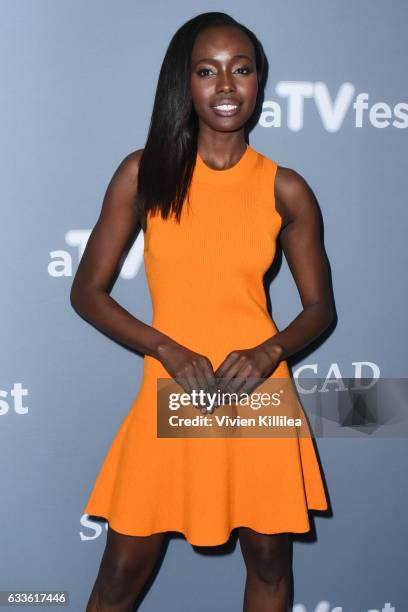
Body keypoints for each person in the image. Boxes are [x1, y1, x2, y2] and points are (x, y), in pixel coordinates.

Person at [71, 11, 334, 612]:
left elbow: (319, 308)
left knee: (269, 560)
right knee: (120, 572)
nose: (225, 87)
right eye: (207, 71)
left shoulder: (284, 188)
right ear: (183, 84)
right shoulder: (145, 173)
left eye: (241, 70)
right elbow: (87, 291)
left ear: (259, 82)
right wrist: (166, 347)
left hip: (259, 392)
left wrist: (271, 351)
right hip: (174, 388)